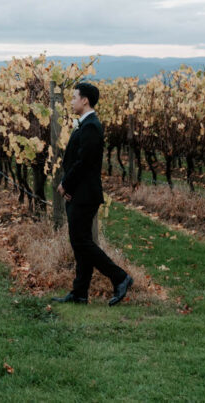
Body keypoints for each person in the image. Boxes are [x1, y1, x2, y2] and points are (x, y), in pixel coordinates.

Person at [53, 81, 133, 306]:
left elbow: (84, 161)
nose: (71, 101)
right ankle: (80, 293)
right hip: (80, 193)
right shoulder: (86, 124)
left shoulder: (91, 126)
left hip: (85, 194)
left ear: (85, 100)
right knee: (81, 242)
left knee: (82, 242)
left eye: (74, 97)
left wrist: (66, 184)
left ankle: (120, 277)